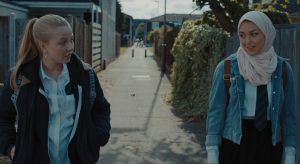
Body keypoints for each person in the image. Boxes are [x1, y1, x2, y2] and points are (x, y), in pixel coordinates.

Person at [0, 14, 111, 164]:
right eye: (62, 42)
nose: (70, 47)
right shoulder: (20, 79)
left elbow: (101, 108)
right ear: (43, 45)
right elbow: (3, 118)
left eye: (71, 40)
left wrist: (96, 137)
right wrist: (11, 147)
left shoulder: (86, 75)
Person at [206, 11, 296, 164]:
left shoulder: (283, 69)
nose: (247, 41)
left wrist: (290, 152)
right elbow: (216, 111)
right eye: (242, 35)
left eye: (254, 34)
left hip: (270, 144)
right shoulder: (227, 67)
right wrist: (212, 151)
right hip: (235, 143)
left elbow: (289, 115)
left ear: (266, 34)